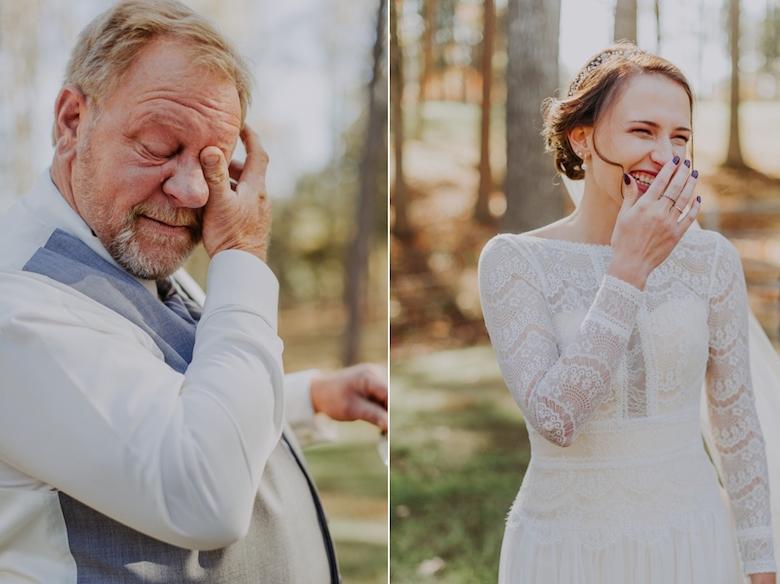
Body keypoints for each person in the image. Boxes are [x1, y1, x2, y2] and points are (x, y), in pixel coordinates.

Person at [0, 1, 387, 582]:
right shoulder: (17, 304)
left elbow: (166, 395)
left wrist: (310, 397)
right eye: (158, 146)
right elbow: (205, 490)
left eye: (213, 162)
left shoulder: (121, 246)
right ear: (72, 122)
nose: (189, 190)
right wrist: (240, 256)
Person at [478, 44, 776, 584]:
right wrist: (629, 268)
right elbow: (556, 419)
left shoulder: (712, 261)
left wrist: (761, 567)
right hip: (567, 552)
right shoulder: (515, 261)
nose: (666, 155)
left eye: (679, 137)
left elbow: (739, 432)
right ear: (583, 138)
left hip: (692, 543)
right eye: (643, 131)